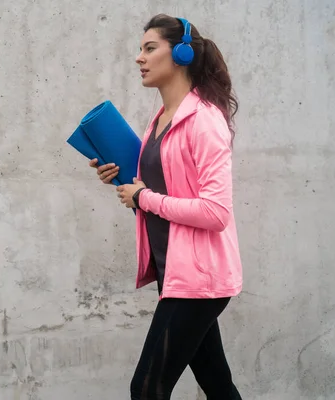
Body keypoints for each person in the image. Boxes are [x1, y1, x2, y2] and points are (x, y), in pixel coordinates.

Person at [89, 14, 244, 399]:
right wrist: (125, 182)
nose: (139, 58)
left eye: (149, 48)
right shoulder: (158, 121)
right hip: (174, 270)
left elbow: (215, 212)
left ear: (182, 53)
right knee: (218, 386)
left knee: (146, 388)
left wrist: (144, 197)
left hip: (199, 279)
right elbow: (159, 195)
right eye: (140, 49)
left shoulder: (204, 120)